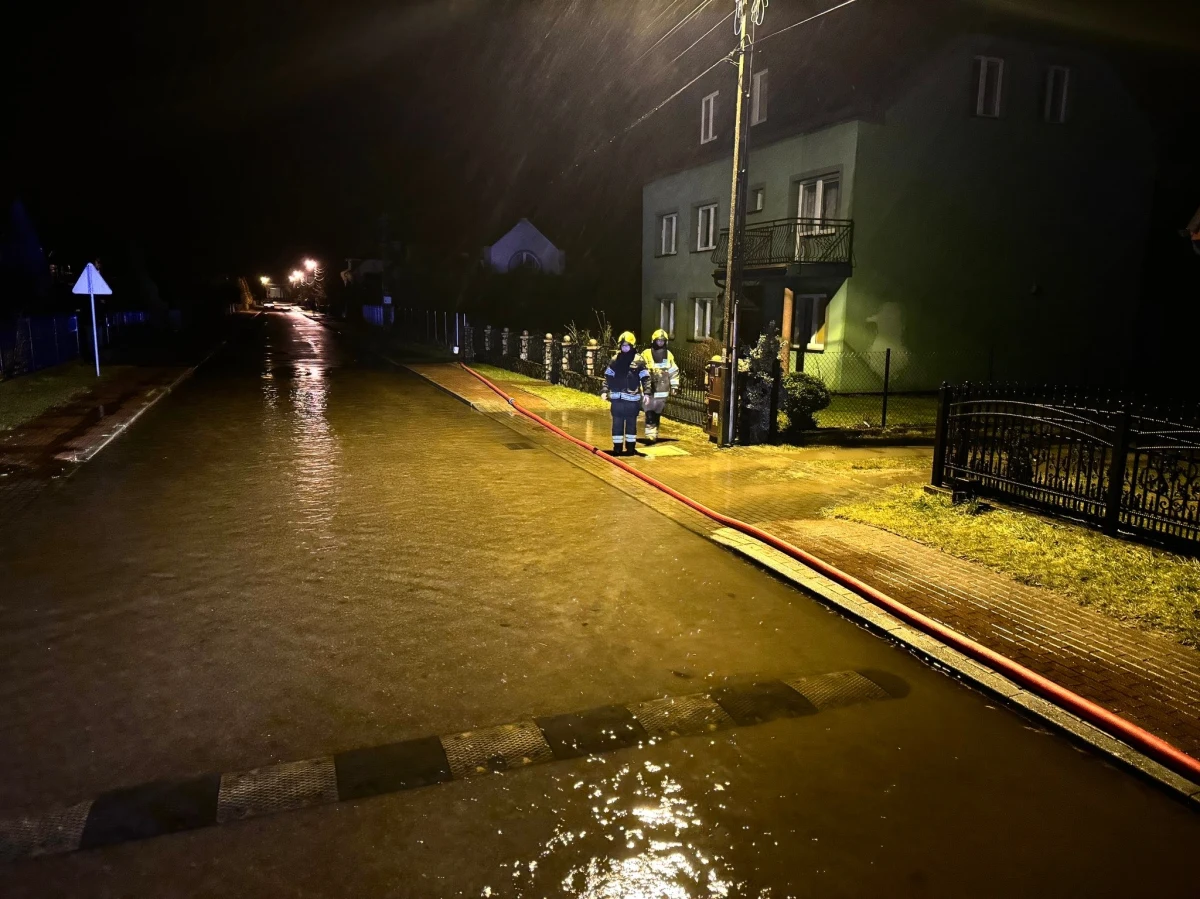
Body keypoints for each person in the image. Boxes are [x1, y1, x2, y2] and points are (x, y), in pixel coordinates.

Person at [600, 331, 649, 455]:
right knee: (617, 424)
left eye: (627, 346)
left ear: (632, 346)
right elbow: (608, 377)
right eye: (623, 346)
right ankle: (617, 448)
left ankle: (630, 448)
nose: (625, 348)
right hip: (617, 400)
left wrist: (647, 393)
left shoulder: (639, 360)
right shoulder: (615, 360)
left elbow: (645, 379)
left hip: (632, 401)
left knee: (631, 425)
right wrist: (604, 391)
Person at [639, 328, 680, 444]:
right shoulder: (646, 354)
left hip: (662, 389)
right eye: (658, 341)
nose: (660, 343)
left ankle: (654, 432)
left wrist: (674, 386)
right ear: (654, 341)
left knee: (657, 412)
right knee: (649, 411)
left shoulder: (669, 355)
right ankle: (650, 434)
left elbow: (673, 371)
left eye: (663, 341)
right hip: (649, 388)